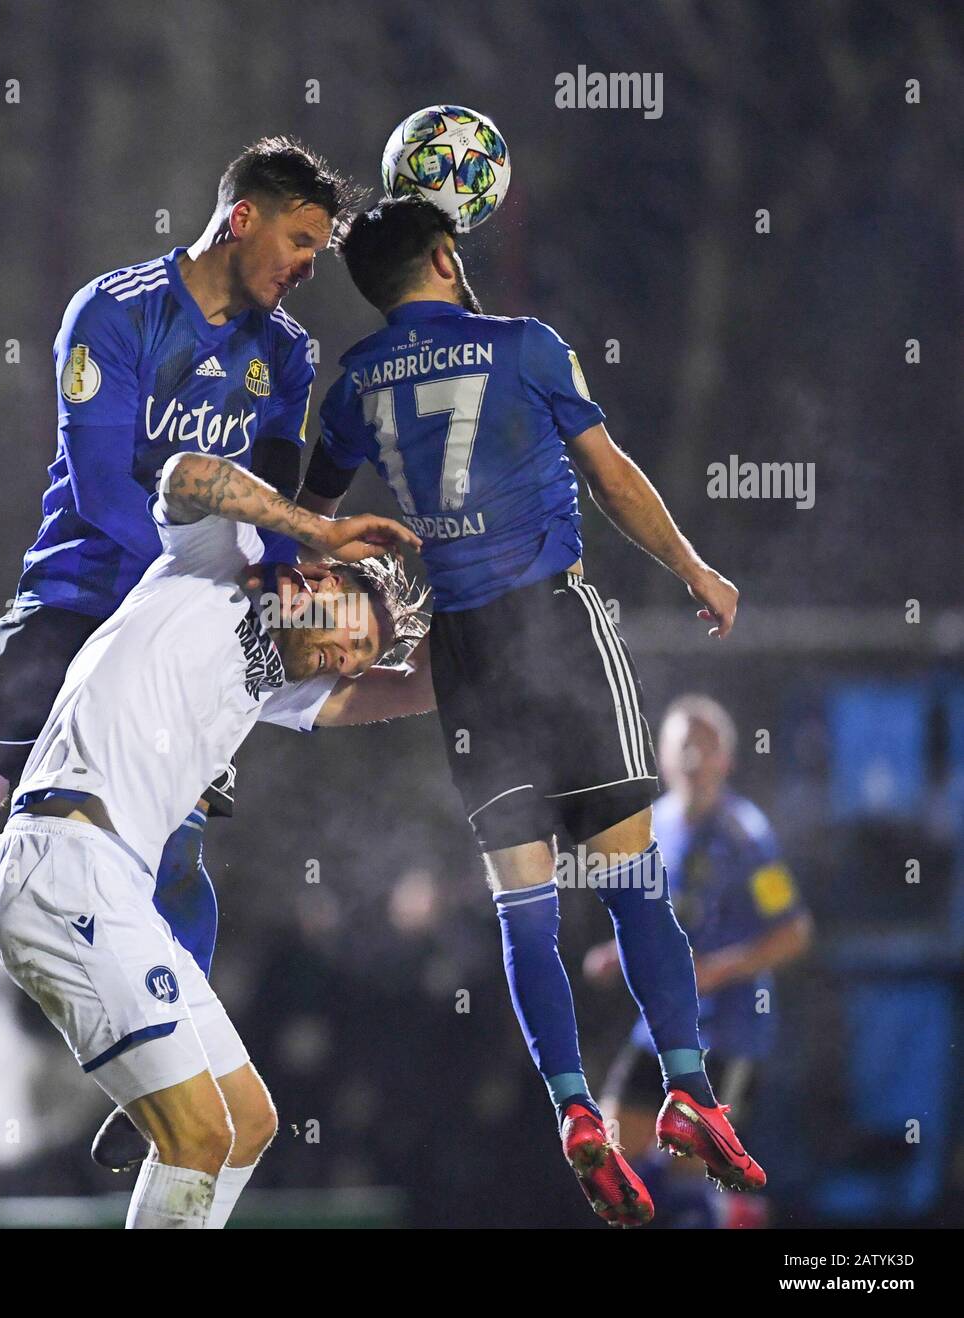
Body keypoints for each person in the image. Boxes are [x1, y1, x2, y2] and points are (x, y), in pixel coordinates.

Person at [0, 137, 354, 1082]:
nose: (304, 268)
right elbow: (97, 488)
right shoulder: (115, 311)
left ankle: (179, 1068)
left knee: (176, 842)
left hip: (184, 626)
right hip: (78, 594)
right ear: (241, 217)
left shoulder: (287, 356)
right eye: (298, 240)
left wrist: (278, 585)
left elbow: (282, 498)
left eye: (319, 254)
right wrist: (212, 577)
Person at [291, 194, 761, 1226]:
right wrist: (692, 565)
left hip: (459, 654)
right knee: (636, 886)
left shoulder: (357, 380)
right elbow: (609, 475)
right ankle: (686, 1087)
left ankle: (573, 1111)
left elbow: (302, 523)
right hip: (555, 631)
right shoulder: (526, 345)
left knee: (525, 913)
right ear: (447, 257)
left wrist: (315, 606)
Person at [0, 449, 431, 1227]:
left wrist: (502, 613)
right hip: (61, 863)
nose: (348, 662)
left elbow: (419, 688)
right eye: (354, 641)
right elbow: (184, 475)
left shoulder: (282, 687)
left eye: (362, 661)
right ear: (322, 581)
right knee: (196, 1136)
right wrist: (312, 526)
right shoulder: (215, 560)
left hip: (115, 890)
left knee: (246, 1126)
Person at [587, 695, 811, 1227]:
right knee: (609, 1153)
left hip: (728, 1031)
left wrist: (720, 970)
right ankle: (728, 1210)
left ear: (727, 761)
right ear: (662, 759)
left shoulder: (747, 837)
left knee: (688, 1169)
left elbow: (794, 932)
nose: (694, 759)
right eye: (683, 746)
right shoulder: (652, 831)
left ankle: (725, 1210)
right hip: (661, 1027)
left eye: (706, 748)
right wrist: (619, 954)